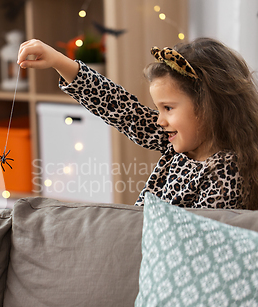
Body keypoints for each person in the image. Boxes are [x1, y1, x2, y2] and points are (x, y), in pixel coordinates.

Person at [18, 38, 258, 209]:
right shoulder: (180, 141)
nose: (160, 120)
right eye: (158, 108)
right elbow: (121, 109)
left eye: (168, 108)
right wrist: (59, 61)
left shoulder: (226, 175)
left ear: (209, 106)